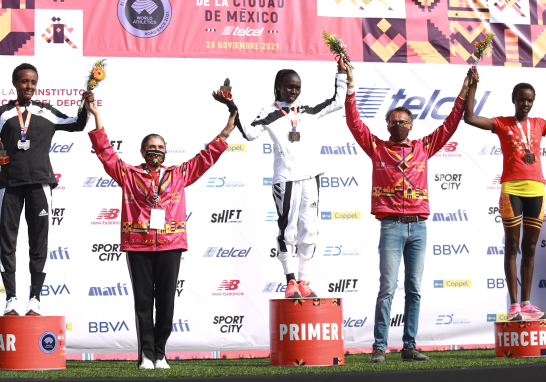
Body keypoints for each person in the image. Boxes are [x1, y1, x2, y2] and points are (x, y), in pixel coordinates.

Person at [87, 102, 236, 370]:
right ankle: (145, 355)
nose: (156, 152)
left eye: (160, 148)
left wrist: (225, 132)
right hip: (138, 245)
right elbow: (106, 153)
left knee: (166, 302)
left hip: (171, 245)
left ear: (166, 152)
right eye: (151, 148)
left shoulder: (178, 174)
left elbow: (205, 158)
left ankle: (160, 353)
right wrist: (97, 116)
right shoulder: (129, 174)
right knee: (143, 302)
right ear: (142, 152)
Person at [344, 63, 471, 363]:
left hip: (419, 227)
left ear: (411, 125)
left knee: (413, 289)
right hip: (391, 226)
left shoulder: (424, 146)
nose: (398, 125)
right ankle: (378, 347)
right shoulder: (377, 147)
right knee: (387, 288)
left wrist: (465, 90)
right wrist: (349, 83)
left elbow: (451, 123)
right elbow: (354, 123)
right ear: (387, 125)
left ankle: (409, 346)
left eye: (403, 121)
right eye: (392, 121)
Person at [212, 59, 348, 299]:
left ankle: (304, 281)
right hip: (286, 179)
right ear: (278, 87)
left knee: (310, 229)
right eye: (289, 87)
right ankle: (290, 281)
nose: (294, 91)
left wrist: (341, 73)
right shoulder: (270, 112)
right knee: (288, 230)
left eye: (297, 87)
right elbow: (251, 134)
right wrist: (231, 105)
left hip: (311, 177)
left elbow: (338, 102)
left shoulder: (307, 110)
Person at [1, 63, 94, 317]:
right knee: (6, 242)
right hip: (8, 186)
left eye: (32, 82)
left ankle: (35, 299)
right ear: (14, 83)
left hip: (40, 185)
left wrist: (85, 105)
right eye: (23, 82)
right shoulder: (4, 113)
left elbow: (76, 123)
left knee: (38, 243)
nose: (29, 86)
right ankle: (10, 299)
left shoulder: (46, 112)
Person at [464, 67, 546, 322]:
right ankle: (513, 306)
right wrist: (472, 87)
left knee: (530, 247)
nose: (526, 103)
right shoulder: (501, 123)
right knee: (512, 245)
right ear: (514, 99)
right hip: (512, 188)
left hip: (537, 189)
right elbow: (469, 118)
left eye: (530, 100)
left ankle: (526, 302)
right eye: (521, 98)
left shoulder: (540, 124)